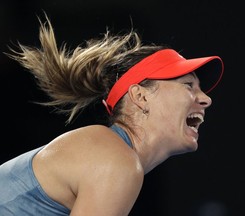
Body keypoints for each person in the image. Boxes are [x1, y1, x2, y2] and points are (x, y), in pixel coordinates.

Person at [0, 14, 224, 216]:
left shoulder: (112, 154)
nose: (206, 98)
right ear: (141, 96)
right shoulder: (117, 160)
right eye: (188, 85)